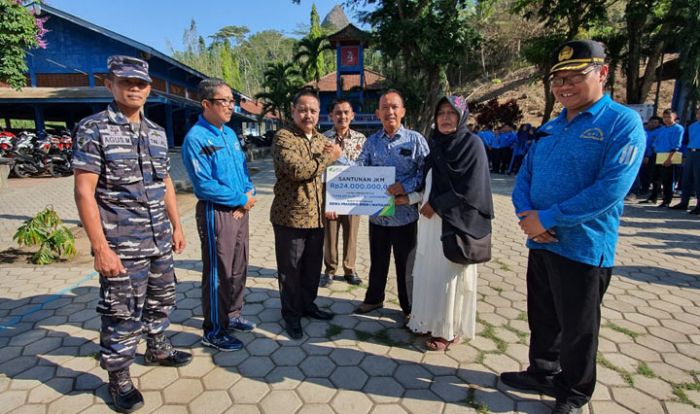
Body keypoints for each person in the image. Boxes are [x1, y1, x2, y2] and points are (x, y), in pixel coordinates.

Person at [502, 40, 645, 414]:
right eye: (558, 80)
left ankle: (574, 391)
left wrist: (548, 218)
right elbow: (525, 177)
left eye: (574, 78)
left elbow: (611, 189)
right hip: (540, 242)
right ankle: (543, 371)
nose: (564, 86)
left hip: (584, 247)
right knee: (543, 316)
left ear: (602, 73)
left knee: (579, 328)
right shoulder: (550, 127)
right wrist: (525, 216)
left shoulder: (621, 123)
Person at [73, 55, 192, 413]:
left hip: (158, 239)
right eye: (126, 82)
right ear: (110, 85)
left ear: (149, 89)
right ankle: (119, 378)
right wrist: (100, 248)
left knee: (161, 298)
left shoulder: (156, 132)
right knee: (122, 313)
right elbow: (83, 191)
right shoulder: (93, 128)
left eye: (140, 83)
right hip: (122, 245)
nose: (134, 89)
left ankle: (156, 347)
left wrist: (177, 224)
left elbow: (166, 181)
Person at [407, 95, 493, 351]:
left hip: (454, 224)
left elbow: (471, 188)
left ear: (462, 116)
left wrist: (437, 205)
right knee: (429, 272)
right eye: (441, 113)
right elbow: (428, 182)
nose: (445, 118)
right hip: (430, 224)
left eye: (451, 113)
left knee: (449, 276)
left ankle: (448, 330)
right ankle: (426, 321)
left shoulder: (472, 145)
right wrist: (411, 198)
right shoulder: (437, 145)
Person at [181, 78, 257, 352]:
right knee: (218, 272)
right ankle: (213, 330)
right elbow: (204, 185)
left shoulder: (229, 134)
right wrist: (239, 200)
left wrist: (249, 194)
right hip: (217, 214)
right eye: (224, 101)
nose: (230, 106)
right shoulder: (196, 138)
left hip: (240, 211)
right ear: (207, 104)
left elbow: (244, 171)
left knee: (238, 266)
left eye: (231, 101)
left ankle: (233, 314)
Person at [270, 87, 341, 339]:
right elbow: (298, 170)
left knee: (312, 268)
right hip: (290, 216)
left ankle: (308, 305)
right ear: (293, 111)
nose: (307, 114)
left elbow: (334, 175)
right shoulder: (283, 137)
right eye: (302, 109)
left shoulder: (323, 140)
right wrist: (327, 159)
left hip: (317, 217)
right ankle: (291, 315)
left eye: (312, 110)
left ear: (319, 113)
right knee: (290, 269)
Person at [353, 89, 429, 321]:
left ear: (403, 111)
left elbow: (427, 173)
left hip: (405, 216)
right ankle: (374, 298)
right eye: (385, 107)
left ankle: (409, 308)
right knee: (378, 261)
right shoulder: (371, 142)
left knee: (406, 266)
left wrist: (405, 186)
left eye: (394, 106)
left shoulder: (416, 140)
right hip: (378, 216)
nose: (390, 111)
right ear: (378, 113)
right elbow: (359, 170)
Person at [320, 98, 367, 287]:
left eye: (346, 112)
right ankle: (330, 270)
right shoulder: (322, 139)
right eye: (338, 113)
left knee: (352, 233)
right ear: (331, 116)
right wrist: (327, 201)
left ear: (352, 115)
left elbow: (363, 166)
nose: (343, 116)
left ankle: (350, 269)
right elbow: (320, 169)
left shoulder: (361, 139)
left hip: (353, 193)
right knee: (330, 234)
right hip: (330, 192)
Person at [640, 109, 683, 207]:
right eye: (665, 117)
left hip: (668, 155)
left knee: (667, 179)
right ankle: (653, 197)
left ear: (674, 118)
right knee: (655, 177)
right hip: (657, 154)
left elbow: (676, 144)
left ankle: (667, 200)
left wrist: (670, 158)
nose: (666, 119)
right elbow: (656, 141)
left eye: (669, 117)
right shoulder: (661, 129)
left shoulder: (678, 128)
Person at [671, 108, 700, 214]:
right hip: (691, 152)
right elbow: (687, 140)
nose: (698, 115)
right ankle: (684, 202)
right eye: (697, 113)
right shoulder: (692, 126)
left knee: (698, 180)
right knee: (686, 179)